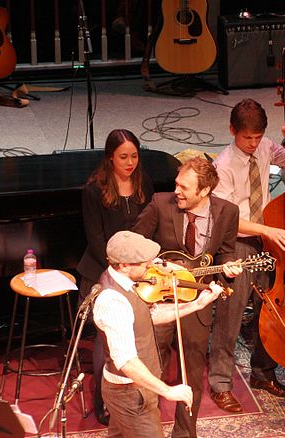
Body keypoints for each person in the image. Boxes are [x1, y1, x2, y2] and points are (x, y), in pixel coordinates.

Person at [210, 98, 285, 411]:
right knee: (231, 315)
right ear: (232, 131)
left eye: (257, 137)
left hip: (265, 239)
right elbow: (226, 219)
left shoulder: (266, 146)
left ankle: (263, 372)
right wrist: (266, 230)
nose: (253, 144)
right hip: (236, 243)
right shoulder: (222, 165)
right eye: (246, 138)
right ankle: (220, 384)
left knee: (272, 308)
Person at [133, 156, 242, 437]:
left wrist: (228, 270)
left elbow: (226, 251)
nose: (177, 191)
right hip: (159, 300)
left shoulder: (228, 211)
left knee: (191, 376)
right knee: (149, 373)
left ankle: (184, 434)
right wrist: (157, 264)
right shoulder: (160, 203)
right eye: (177, 184)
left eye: (184, 187)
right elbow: (134, 243)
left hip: (196, 304)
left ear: (204, 191)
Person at [93, 230, 225, 437]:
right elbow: (126, 361)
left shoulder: (126, 283)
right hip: (130, 394)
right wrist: (168, 391)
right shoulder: (113, 301)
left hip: (133, 391)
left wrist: (196, 304)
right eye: (144, 263)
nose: (151, 266)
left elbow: (150, 315)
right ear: (125, 265)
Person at [76, 128, 153, 425]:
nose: (130, 162)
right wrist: (119, 271)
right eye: (123, 157)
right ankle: (102, 402)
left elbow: (147, 228)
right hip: (102, 271)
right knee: (106, 340)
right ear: (110, 158)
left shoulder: (143, 182)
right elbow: (96, 241)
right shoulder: (94, 190)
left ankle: (135, 396)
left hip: (134, 271)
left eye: (134, 156)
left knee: (136, 339)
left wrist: (140, 267)